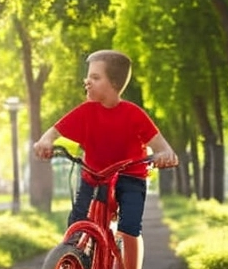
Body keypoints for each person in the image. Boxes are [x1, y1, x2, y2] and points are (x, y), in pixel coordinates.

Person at [33, 49, 178, 269]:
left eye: (95, 77)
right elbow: (54, 131)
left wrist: (164, 155)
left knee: (129, 227)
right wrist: (45, 142)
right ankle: (75, 256)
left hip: (130, 178)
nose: (87, 82)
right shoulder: (86, 111)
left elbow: (162, 147)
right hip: (92, 177)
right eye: (88, 77)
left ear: (114, 83)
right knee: (77, 224)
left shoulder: (133, 114)